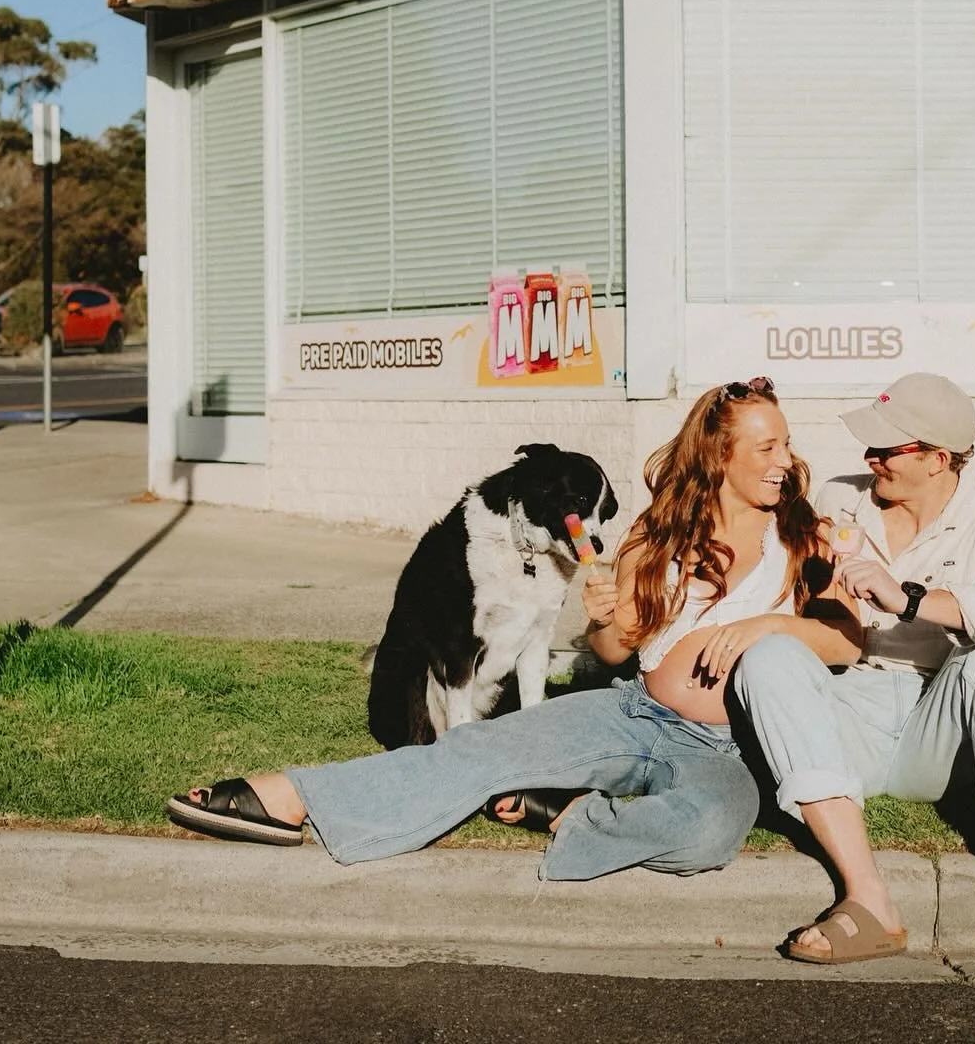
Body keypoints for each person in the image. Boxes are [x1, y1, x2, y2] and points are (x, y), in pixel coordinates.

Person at [168, 377, 861, 886]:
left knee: (709, 832)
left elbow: (845, 641)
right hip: (634, 713)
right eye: (767, 444)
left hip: (729, 746)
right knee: (481, 749)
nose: (784, 457)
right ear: (718, 455)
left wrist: (772, 626)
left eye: (786, 442)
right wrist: (607, 625)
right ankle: (292, 796)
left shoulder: (804, 535)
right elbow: (615, 652)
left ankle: (571, 816)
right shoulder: (660, 533)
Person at [732, 371, 975, 967]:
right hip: (846, 716)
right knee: (768, 655)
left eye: (887, 449)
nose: (870, 458)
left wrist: (909, 598)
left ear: (938, 458)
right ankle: (869, 903)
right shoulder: (839, 499)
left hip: (939, 726)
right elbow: (746, 538)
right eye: (871, 445)